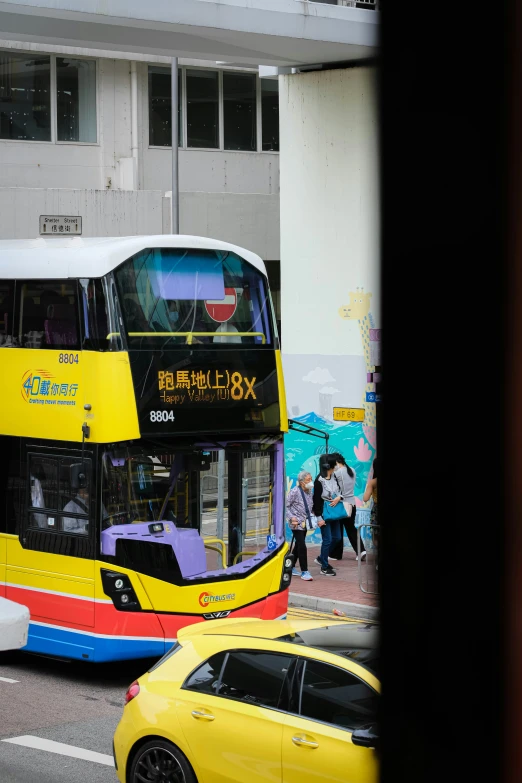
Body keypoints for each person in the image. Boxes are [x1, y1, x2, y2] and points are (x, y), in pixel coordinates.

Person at [328, 452, 365, 561]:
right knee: (351, 528)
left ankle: (336, 554)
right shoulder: (352, 470)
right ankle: (361, 551)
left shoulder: (338, 473)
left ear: (336, 462)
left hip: (342, 505)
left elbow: (333, 488)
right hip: (352, 504)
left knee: (338, 529)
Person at [312, 454, 342, 576]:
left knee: (337, 538)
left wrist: (339, 497)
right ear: (328, 465)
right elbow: (316, 500)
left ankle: (321, 558)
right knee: (327, 539)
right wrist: (319, 517)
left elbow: (341, 491)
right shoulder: (319, 480)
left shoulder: (335, 477)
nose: (336, 466)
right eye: (334, 464)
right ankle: (324, 566)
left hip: (334, 511)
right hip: (324, 512)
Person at [286, 470, 314, 581]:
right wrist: (291, 517)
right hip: (296, 523)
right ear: (302, 482)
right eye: (308, 480)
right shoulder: (294, 491)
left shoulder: (309, 491)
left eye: (311, 479)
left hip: (305, 523)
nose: (310, 482)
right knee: (302, 545)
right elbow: (286, 505)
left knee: (298, 545)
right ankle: (304, 571)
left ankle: (291, 566)